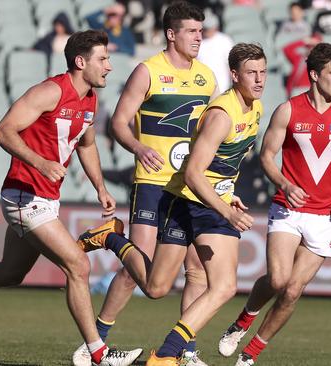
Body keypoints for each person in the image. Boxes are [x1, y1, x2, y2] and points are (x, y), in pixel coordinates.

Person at [0, 30, 143, 366]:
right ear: (80, 62)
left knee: (11, 273)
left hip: (45, 198)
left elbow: (86, 145)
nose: (109, 66)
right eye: (103, 59)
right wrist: (40, 162)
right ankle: (98, 353)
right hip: (24, 196)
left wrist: (100, 187)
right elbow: (3, 130)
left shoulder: (89, 99)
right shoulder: (50, 91)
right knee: (78, 266)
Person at [79, 42, 267, 366]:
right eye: (252, 72)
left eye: (263, 72)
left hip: (198, 196)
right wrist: (225, 209)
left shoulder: (254, 108)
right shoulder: (221, 113)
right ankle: (162, 351)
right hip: (193, 198)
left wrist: (227, 189)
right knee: (209, 287)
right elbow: (195, 172)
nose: (260, 79)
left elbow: (224, 161)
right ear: (235, 75)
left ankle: (181, 353)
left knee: (180, 282)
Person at [73, 2, 216, 365]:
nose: (199, 37)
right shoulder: (148, 71)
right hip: (153, 183)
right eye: (191, 31)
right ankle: (97, 341)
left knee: (196, 268)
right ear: (171, 34)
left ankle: (187, 350)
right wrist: (138, 147)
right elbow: (118, 122)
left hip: (190, 186)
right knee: (142, 271)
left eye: (201, 31)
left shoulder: (208, 77)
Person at [217, 42, 331, 366]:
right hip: (288, 209)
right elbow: (267, 156)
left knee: (292, 291)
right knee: (277, 279)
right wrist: (285, 183)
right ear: (314, 75)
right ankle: (242, 321)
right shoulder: (288, 110)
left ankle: (250, 355)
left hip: (327, 216)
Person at [197, 9, 234, 93]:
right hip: (201, 85)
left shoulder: (225, 40)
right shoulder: (197, 41)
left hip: (222, 85)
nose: (207, 31)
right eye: (205, 28)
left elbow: (231, 63)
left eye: (209, 28)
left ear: (215, 27)